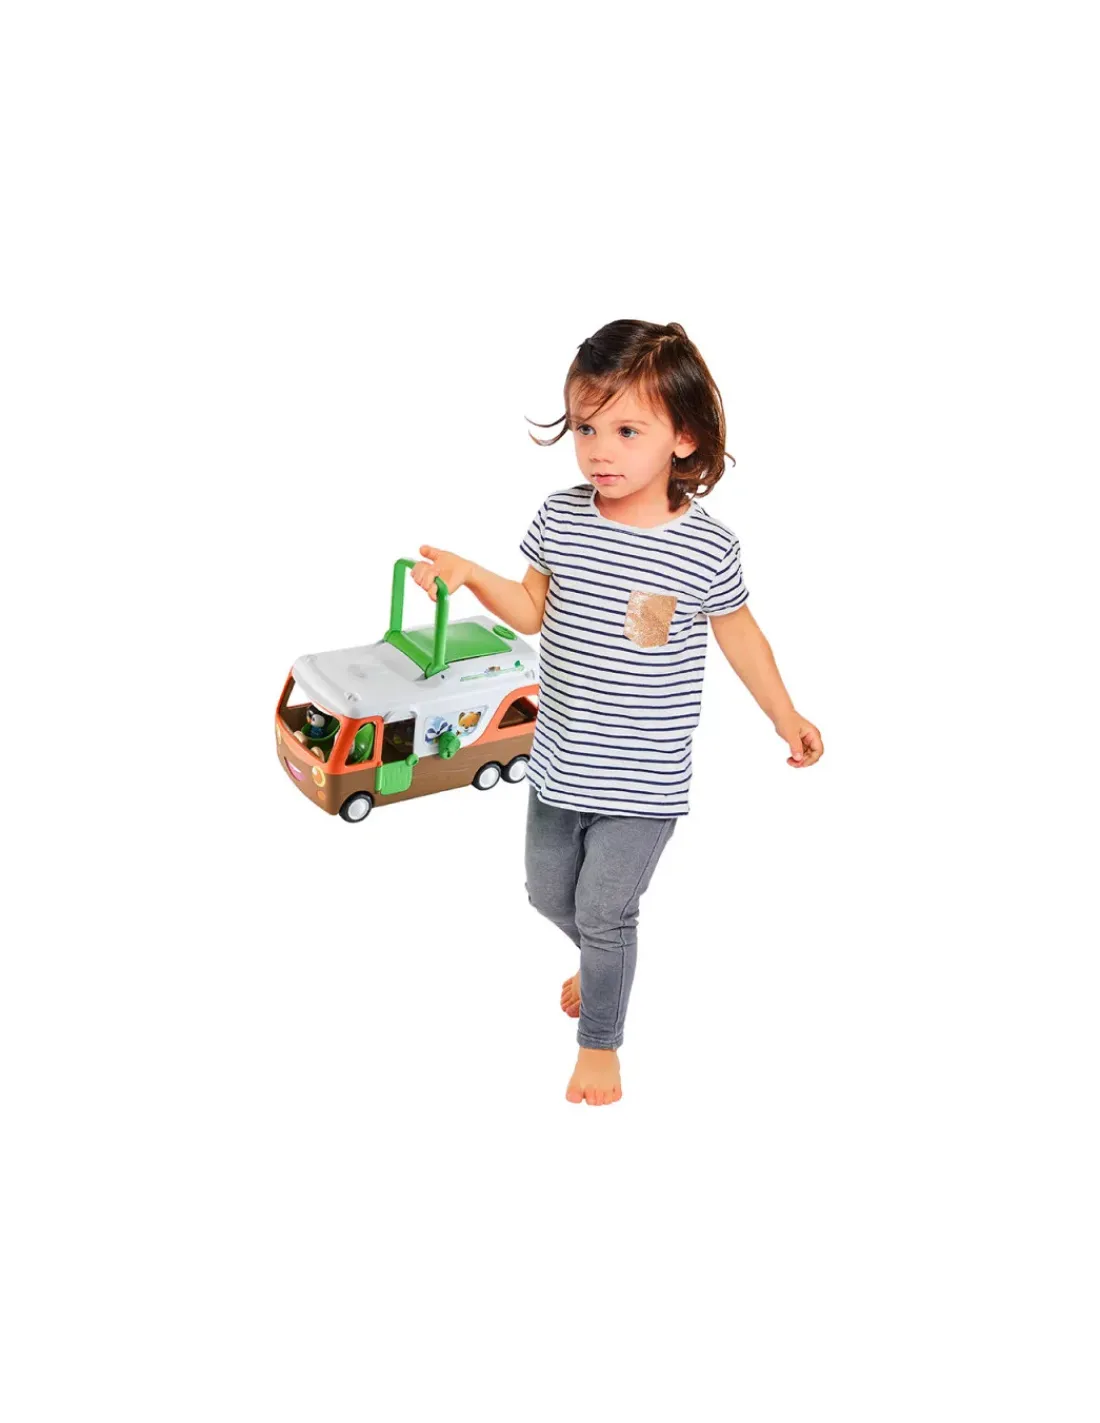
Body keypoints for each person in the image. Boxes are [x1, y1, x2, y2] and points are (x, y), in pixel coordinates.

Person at [411, 319, 823, 1106]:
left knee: (604, 910)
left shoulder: (705, 548)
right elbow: (530, 610)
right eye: (586, 428)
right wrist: (470, 574)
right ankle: (606, 956)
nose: (600, 450)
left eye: (627, 430)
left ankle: (600, 1040)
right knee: (548, 895)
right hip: (559, 764)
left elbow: (741, 635)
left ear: (683, 438)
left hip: (642, 780)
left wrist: (785, 714)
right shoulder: (561, 517)